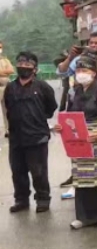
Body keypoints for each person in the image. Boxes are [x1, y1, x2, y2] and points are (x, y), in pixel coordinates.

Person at [54, 55, 97, 230]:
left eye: (84, 70)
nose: (80, 74)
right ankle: (84, 216)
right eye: (78, 70)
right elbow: (68, 116)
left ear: (94, 72)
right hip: (80, 138)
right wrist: (61, 127)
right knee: (81, 177)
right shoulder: (72, 92)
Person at [56, 32, 97, 189]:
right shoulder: (73, 89)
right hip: (80, 132)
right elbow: (61, 71)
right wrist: (70, 57)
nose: (93, 46)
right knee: (81, 171)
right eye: (91, 43)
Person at [4, 51, 57, 213]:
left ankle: (42, 199)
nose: (23, 67)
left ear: (35, 69)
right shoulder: (11, 88)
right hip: (16, 137)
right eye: (20, 64)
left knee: (39, 171)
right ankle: (21, 200)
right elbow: (7, 108)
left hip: (37, 136)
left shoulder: (42, 87)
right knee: (18, 171)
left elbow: (51, 107)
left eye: (28, 65)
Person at [0, 41, 14, 138]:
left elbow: (11, 70)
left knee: (7, 109)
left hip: (5, 86)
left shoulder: (5, 60)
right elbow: (7, 71)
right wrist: (5, 72)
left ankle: (8, 130)